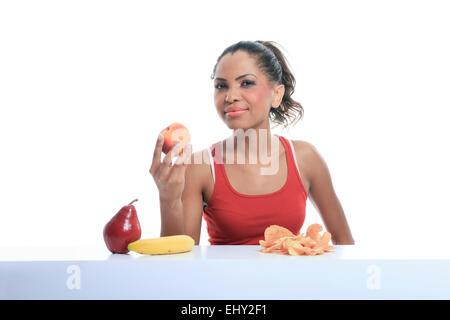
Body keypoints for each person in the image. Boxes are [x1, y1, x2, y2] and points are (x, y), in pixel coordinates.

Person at [150, 40, 354, 246]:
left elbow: (345, 244)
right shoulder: (200, 166)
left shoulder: (306, 159)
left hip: (291, 279)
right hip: (224, 279)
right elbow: (178, 262)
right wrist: (169, 199)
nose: (230, 96)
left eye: (246, 83)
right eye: (221, 86)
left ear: (276, 95)